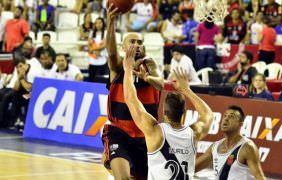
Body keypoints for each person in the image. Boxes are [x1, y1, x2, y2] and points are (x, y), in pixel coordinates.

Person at [123, 46, 213, 178]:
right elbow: (208, 115)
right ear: (184, 112)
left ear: (164, 111)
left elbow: (130, 99)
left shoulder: (154, 131)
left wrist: (128, 70)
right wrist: (187, 90)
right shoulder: (194, 133)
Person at [101, 3, 164, 179]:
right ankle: (112, 158)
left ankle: (108, 160)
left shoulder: (150, 65)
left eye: (140, 42)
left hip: (146, 136)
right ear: (124, 47)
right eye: (132, 42)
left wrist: (148, 79)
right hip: (119, 132)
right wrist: (111, 22)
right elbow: (111, 53)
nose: (137, 45)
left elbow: (161, 84)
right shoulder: (117, 67)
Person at [195, 105, 266, 180]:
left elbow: (260, 177)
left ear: (240, 124)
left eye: (231, 116)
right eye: (225, 116)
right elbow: (192, 169)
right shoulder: (215, 147)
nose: (226, 119)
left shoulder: (247, 147)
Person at [87, 17, 108, 82]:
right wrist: (93, 50)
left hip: (102, 59)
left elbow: (104, 45)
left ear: (103, 24)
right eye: (96, 23)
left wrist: (93, 49)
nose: (98, 24)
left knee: (100, 80)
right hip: (92, 59)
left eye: (100, 23)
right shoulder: (91, 32)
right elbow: (89, 44)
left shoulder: (106, 32)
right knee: (91, 79)